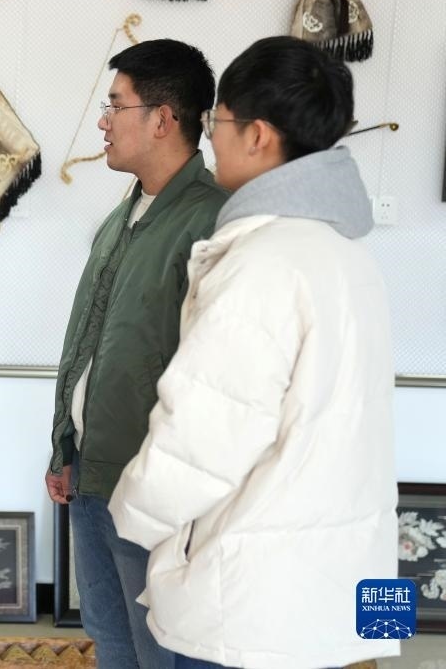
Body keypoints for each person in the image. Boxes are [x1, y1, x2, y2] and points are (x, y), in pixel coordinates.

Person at [108, 36, 399, 668]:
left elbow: (206, 433)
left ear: (259, 135)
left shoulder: (263, 261)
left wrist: (129, 516)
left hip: (257, 590)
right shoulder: (352, 256)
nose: (211, 139)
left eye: (218, 122)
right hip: (337, 579)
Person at [45, 39, 227, 669]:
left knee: (168, 652)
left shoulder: (211, 223)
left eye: (115, 106)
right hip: (93, 479)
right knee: (114, 642)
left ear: (162, 119)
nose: (103, 122)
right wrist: (66, 446)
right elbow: (91, 343)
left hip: (155, 491)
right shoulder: (122, 216)